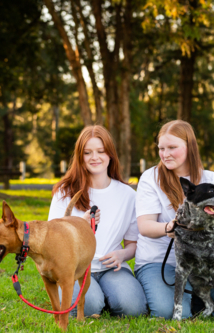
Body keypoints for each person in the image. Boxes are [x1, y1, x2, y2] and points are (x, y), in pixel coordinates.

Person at [134, 120, 214, 319]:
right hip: (159, 262)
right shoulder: (150, 178)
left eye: (172, 147)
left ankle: (198, 296)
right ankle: (183, 296)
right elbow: (145, 226)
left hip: (205, 264)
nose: (166, 154)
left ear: (190, 147)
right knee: (165, 312)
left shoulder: (210, 178)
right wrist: (168, 227)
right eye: (161, 148)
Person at [48, 125, 147, 317]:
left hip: (112, 268)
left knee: (133, 308)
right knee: (89, 306)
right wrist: (79, 226)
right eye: (88, 153)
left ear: (110, 155)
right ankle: (97, 298)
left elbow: (133, 243)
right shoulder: (64, 192)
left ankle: (106, 295)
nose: (95, 157)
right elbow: (52, 240)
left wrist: (122, 255)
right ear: (80, 157)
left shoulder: (127, 195)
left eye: (101, 151)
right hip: (74, 269)